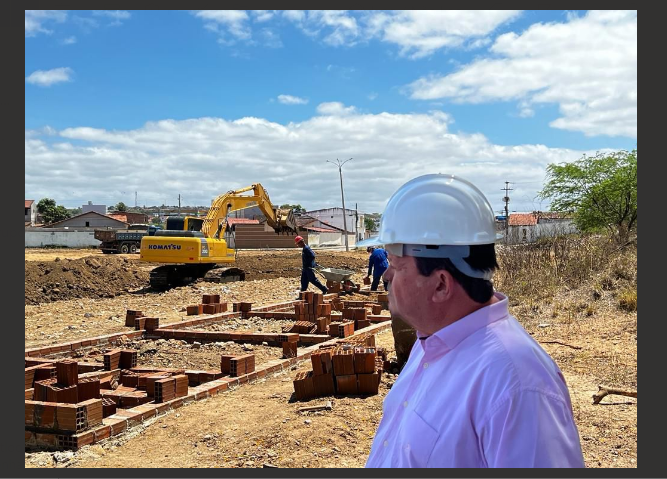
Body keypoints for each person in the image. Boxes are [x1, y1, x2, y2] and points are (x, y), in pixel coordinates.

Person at [364, 174, 584, 468]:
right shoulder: (432, 342)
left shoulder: (516, 385)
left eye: (395, 264)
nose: (387, 276)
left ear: (441, 284)